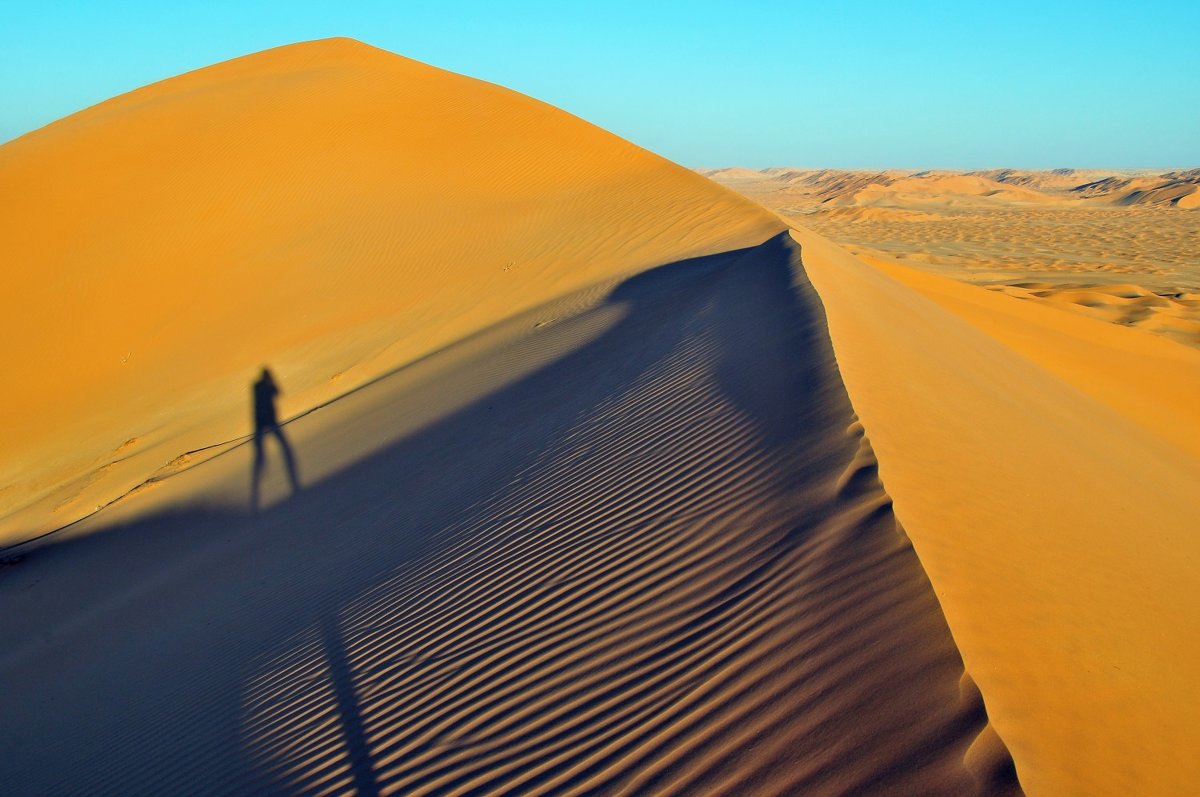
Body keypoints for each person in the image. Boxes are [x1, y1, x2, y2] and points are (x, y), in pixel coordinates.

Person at [251, 366, 301, 511]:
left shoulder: (259, 386)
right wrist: (272, 383)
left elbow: (278, 394)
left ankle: (263, 473)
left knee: (278, 448)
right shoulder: (261, 386)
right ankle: (261, 479)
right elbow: (275, 394)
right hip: (266, 422)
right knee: (270, 451)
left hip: (265, 422)